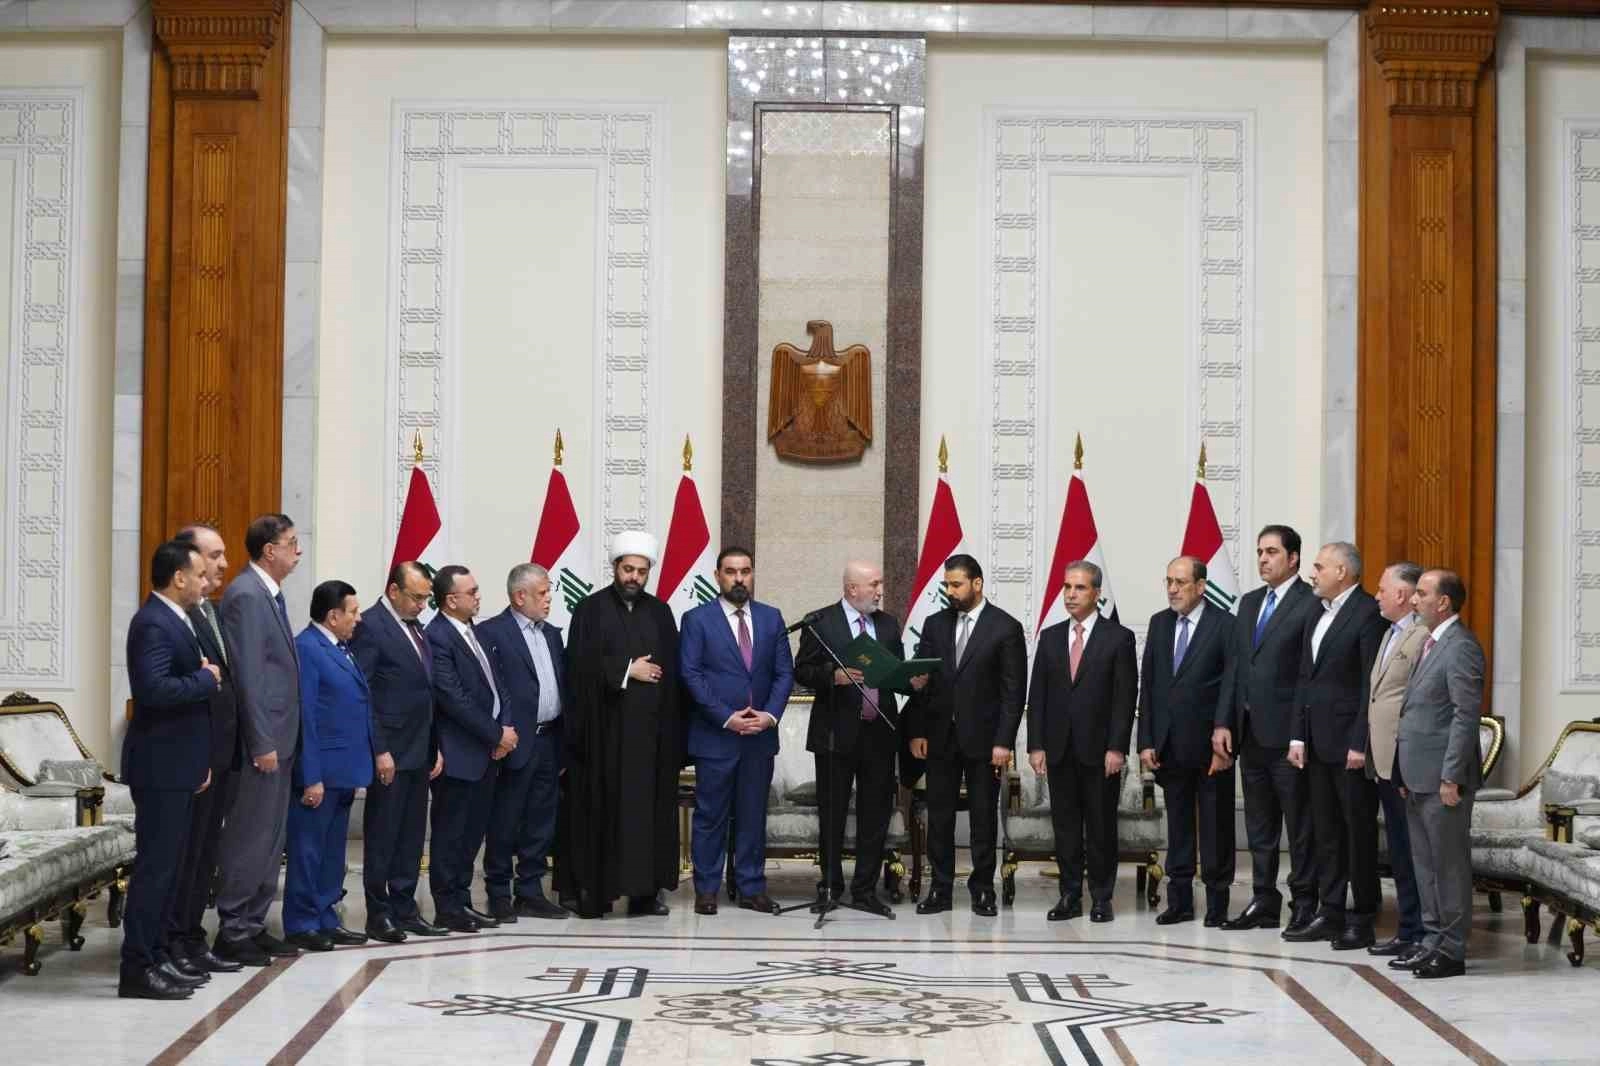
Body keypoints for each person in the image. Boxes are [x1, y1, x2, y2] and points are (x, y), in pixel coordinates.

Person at [120, 540, 221, 999]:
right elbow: (153, 690)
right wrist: (206, 679)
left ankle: (159, 955)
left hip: (180, 763)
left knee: (172, 870)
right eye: (199, 574)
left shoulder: (178, 619)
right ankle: (137, 968)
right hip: (160, 766)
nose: (205, 581)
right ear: (179, 577)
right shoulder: (153, 622)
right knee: (155, 872)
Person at [564, 532, 684, 918]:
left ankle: (645, 894)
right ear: (615, 567)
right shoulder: (590, 609)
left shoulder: (660, 612)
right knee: (603, 814)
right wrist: (626, 670)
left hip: (649, 740)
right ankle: (597, 894)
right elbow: (577, 667)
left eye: (641, 571)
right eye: (628, 569)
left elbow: (675, 673)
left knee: (646, 818)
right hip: (604, 737)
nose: (634, 577)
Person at [907, 554, 1025, 918]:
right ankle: (940, 889)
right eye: (946, 584)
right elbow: (922, 682)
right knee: (940, 817)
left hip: (985, 742)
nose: (950, 591)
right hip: (939, 738)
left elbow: (1013, 692)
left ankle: (983, 889)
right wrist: (917, 730)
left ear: (977, 584)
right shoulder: (934, 624)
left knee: (982, 819)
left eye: (956, 584)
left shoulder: (1005, 627)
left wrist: (1003, 742)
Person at [1216, 524, 1320, 934]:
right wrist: (1224, 721)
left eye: (1272, 552)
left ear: (1293, 558)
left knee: (1299, 826)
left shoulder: (1310, 603)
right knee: (1260, 827)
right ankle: (1263, 899)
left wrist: (1299, 733)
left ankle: (1305, 902)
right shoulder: (1249, 603)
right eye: (1260, 551)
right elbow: (1236, 667)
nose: (1263, 559)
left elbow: (1307, 675)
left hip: (1289, 738)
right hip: (1250, 735)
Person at [680, 547, 794, 916]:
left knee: (752, 816)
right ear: (718, 576)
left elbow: (784, 673)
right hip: (716, 736)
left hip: (759, 737)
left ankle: (751, 887)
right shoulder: (697, 619)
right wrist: (726, 717)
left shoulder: (771, 618)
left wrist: (770, 715)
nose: (739, 578)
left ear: (753, 574)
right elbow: (690, 675)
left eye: (745, 571)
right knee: (711, 816)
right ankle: (706, 890)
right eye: (731, 572)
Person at [1286, 542, 1387, 948]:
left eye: (1319, 566)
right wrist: (1297, 734)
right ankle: (1330, 912)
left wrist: (1360, 742)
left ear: (1342, 571)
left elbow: (1369, 685)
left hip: (1350, 747)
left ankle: (1362, 916)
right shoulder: (1315, 611)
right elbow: (1303, 678)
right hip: (1315, 744)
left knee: (1357, 834)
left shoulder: (1368, 613)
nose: (1313, 573)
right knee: (1325, 832)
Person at [214, 513, 304, 966]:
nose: (298, 551)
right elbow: (248, 675)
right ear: (270, 550)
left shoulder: (269, 594)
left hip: (282, 737)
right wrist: (261, 740)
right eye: (292, 543)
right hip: (263, 742)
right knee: (250, 836)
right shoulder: (247, 595)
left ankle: (252, 923)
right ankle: (233, 929)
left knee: (271, 839)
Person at [1027, 560, 1137, 923]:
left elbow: (1125, 698)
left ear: (1097, 593)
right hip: (1059, 749)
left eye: (1080, 588)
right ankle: (1070, 896)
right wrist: (1036, 745)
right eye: (1067, 587)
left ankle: (1102, 898)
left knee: (1101, 827)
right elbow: (1038, 695)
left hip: (1101, 751)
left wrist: (1117, 747)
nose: (1071, 594)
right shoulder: (1050, 637)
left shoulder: (1118, 638)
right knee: (1066, 828)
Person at [794, 560, 906, 917]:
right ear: (851, 588)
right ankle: (830, 886)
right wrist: (833, 676)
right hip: (835, 734)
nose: (880, 591)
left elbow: (897, 671)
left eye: (880, 583)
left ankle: (865, 890)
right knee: (833, 814)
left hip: (879, 733)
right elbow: (802, 670)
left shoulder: (888, 624)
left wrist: (910, 678)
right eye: (874, 584)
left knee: (875, 815)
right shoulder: (820, 622)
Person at [1395, 569, 1485, 980]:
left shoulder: (1461, 646)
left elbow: (1465, 716)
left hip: (1444, 780)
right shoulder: (1430, 642)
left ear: (1443, 602)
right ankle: (1431, 941)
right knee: (1425, 865)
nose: (1414, 600)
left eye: (1421, 593)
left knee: (1448, 867)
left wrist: (1451, 777)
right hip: (1418, 775)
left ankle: (1451, 950)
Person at [350, 561, 447, 943]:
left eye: (426, 598)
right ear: (393, 591)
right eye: (416, 597)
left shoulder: (416, 628)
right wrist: (379, 749)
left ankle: (406, 907)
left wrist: (435, 745)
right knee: (384, 834)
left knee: (411, 835)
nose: (423, 605)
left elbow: (426, 691)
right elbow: (364, 692)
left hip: (419, 748)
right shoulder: (371, 626)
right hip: (390, 750)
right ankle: (379, 913)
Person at [1137, 556, 1236, 927]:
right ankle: (1179, 901)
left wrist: (1224, 730)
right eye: (1169, 581)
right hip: (1169, 745)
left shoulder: (1225, 625)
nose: (1173, 589)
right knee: (1178, 826)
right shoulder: (1159, 623)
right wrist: (1146, 739)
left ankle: (1217, 903)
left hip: (1212, 748)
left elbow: (1232, 684)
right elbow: (1149, 685)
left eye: (1180, 582)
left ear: (1201, 586)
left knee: (1215, 827)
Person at [165, 524, 243, 976]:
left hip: (221, 755)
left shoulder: (211, 611)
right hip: (194, 758)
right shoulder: (178, 618)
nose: (223, 564)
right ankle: (175, 940)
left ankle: (192, 937)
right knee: (186, 856)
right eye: (214, 556)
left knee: (205, 855)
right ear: (188, 562)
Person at [284, 581, 374, 952]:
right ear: (333, 616)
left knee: (332, 852)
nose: (359, 618)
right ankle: (301, 923)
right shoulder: (308, 648)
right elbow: (305, 716)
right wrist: (311, 776)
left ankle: (325, 917)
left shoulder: (340, 647)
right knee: (308, 851)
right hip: (320, 772)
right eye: (353, 612)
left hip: (344, 770)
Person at [479, 564, 571, 921]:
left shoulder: (551, 634)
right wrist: (498, 733)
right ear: (520, 596)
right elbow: (486, 690)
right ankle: (499, 891)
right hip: (514, 743)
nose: (549, 599)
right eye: (542, 593)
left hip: (549, 740)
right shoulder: (492, 632)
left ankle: (530, 890)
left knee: (541, 820)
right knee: (505, 820)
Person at [426, 564, 515, 932]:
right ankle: (446, 906)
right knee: (450, 834)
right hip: (459, 753)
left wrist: (505, 728)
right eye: (472, 592)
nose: (479, 597)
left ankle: (462, 900)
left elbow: (497, 684)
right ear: (451, 600)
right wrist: (495, 735)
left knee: (472, 834)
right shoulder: (437, 636)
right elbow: (453, 698)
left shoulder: (474, 630)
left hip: (486, 753)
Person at [1364, 561, 1429, 959]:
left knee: (1413, 852)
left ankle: (1420, 932)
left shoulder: (1421, 637)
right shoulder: (1389, 633)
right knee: (1400, 852)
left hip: (1406, 762)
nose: (1377, 596)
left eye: (1383, 589)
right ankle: (1407, 930)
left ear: (1403, 595)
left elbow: (1416, 702)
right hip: (1384, 760)